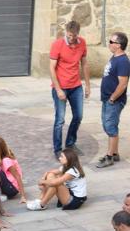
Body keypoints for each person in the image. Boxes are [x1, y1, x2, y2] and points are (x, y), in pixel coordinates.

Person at [50, 21, 90, 156]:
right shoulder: (58, 44)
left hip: (76, 86)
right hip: (61, 87)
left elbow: (84, 64)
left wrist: (88, 85)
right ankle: (57, 149)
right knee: (60, 120)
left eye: (74, 35)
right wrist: (58, 89)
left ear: (78, 33)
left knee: (78, 116)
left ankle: (70, 144)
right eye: (69, 35)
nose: (71, 38)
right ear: (66, 31)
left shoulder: (82, 43)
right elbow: (51, 68)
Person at [97, 32, 130, 168]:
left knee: (110, 127)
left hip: (114, 100)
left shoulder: (123, 61)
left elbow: (122, 84)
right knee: (107, 125)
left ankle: (109, 157)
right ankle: (115, 153)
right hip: (107, 99)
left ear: (118, 45)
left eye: (111, 42)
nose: (109, 43)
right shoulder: (115, 57)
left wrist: (112, 98)